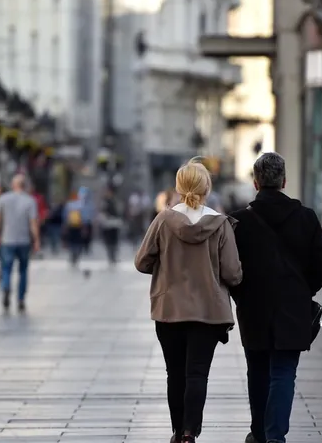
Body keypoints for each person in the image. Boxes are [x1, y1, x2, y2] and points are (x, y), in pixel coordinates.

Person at [135, 160, 243, 443]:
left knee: (175, 374)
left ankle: (176, 429)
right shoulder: (220, 224)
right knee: (197, 374)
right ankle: (188, 432)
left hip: (170, 309)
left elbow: (141, 261)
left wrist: (165, 264)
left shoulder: (163, 220)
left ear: (179, 187)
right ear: (207, 187)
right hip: (207, 312)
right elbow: (233, 273)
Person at [228, 152, 322, 443]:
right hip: (293, 308)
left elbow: (228, 268)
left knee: (257, 371)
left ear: (256, 182)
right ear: (284, 181)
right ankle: (275, 437)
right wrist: (303, 291)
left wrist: (241, 294)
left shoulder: (237, 222)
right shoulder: (306, 218)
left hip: (253, 308)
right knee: (284, 372)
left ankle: (259, 433)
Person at [0, 174, 41, 311]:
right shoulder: (30, 201)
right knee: (23, 270)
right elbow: (33, 222)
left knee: (6, 268)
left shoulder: (2, 199)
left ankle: (6, 287)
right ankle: (20, 299)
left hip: (7, 239)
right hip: (23, 240)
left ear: (13, 185)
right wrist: (36, 240)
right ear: (24, 186)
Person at [98, 188, 123, 266]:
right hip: (107, 223)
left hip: (114, 222)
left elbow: (119, 211)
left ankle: (114, 256)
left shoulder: (115, 201)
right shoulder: (105, 201)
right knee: (108, 241)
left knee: (114, 240)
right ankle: (110, 257)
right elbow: (103, 211)